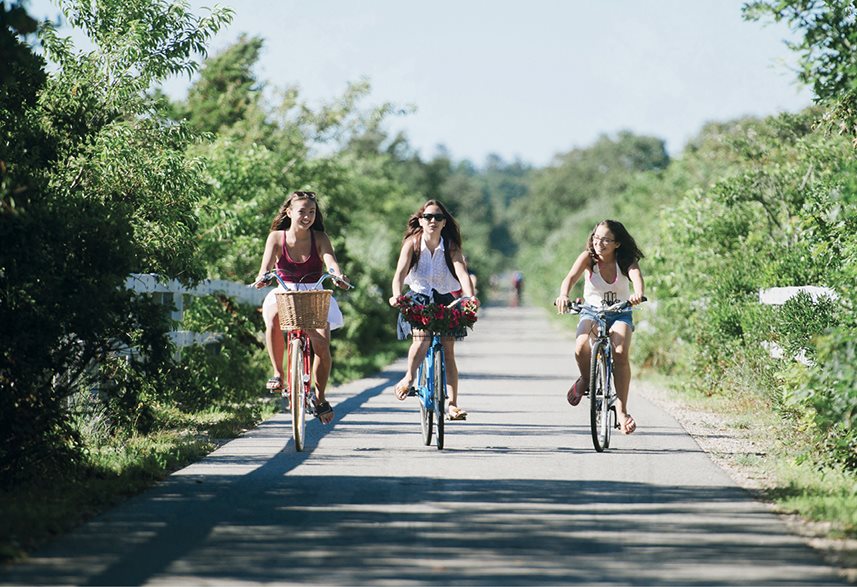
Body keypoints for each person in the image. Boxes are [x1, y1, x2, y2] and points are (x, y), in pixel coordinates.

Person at [254, 191, 348, 425]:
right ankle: (278, 373)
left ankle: (320, 397)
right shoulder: (277, 237)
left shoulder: (320, 238)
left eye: (312, 212)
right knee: (274, 316)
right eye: (302, 211)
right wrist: (263, 277)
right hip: (285, 291)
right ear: (289, 212)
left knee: (322, 345)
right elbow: (265, 266)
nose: (307, 216)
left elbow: (331, 262)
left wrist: (337, 276)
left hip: (313, 293)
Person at [388, 200, 477, 421]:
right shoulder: (412, 243)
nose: (433, 221)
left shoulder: (451, 246)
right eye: (428, 217)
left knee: (448, 351)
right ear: (420, 220)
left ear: (444, 222)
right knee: (422, 339)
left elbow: (462, 274)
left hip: (445, 298)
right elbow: (400, 273)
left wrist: (470, 297)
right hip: (417, 298)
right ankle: (409, 378)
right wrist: (396, 295)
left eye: (438, 217)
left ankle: (453, 405)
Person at [555, 220, 645, 434]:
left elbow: (636, 276)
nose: (599, 243)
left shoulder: (625, 260)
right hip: (591, 312)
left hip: (620, 312)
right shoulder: (588, 258)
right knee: (580, 346)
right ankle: (587, 379)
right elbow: (570, 278)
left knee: (620, 352)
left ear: (617, 244)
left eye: (606, 240)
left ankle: (622, 412)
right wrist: (563, 295)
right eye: (596, 238)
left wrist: (637, 294)